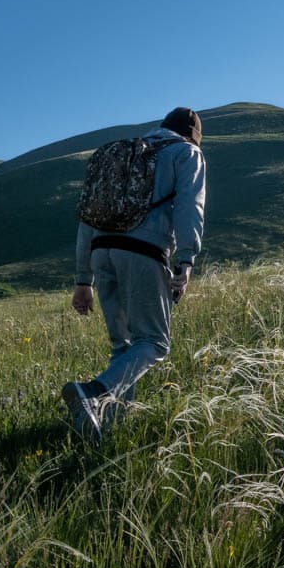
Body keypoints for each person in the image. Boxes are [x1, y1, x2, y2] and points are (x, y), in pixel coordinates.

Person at [63, 107, 207, 442]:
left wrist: (83, 278)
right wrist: (186, 260)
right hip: (142, 252)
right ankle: (95, 393)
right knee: (154, 342)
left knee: (123, 347)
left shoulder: (121, 154)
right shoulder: (186, 154)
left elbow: (88, 214)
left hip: (101, 250)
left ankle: (106, 431)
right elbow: (190, 206)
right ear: (192, 135)